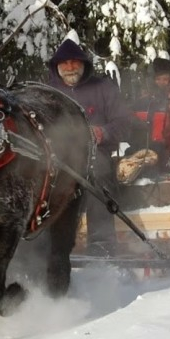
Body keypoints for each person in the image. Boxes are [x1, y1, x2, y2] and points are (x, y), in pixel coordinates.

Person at [48, 38, 132, 254]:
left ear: (84, 64)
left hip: (96, 155)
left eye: (74, 62)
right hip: (55, 157)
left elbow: (124, 122)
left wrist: (103, 132)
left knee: (98, 176)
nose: (69, 67)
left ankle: (101, 246)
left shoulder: (103, 88)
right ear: (56, 66)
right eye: (64, 63)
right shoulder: (47, 92)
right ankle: (45, 249)